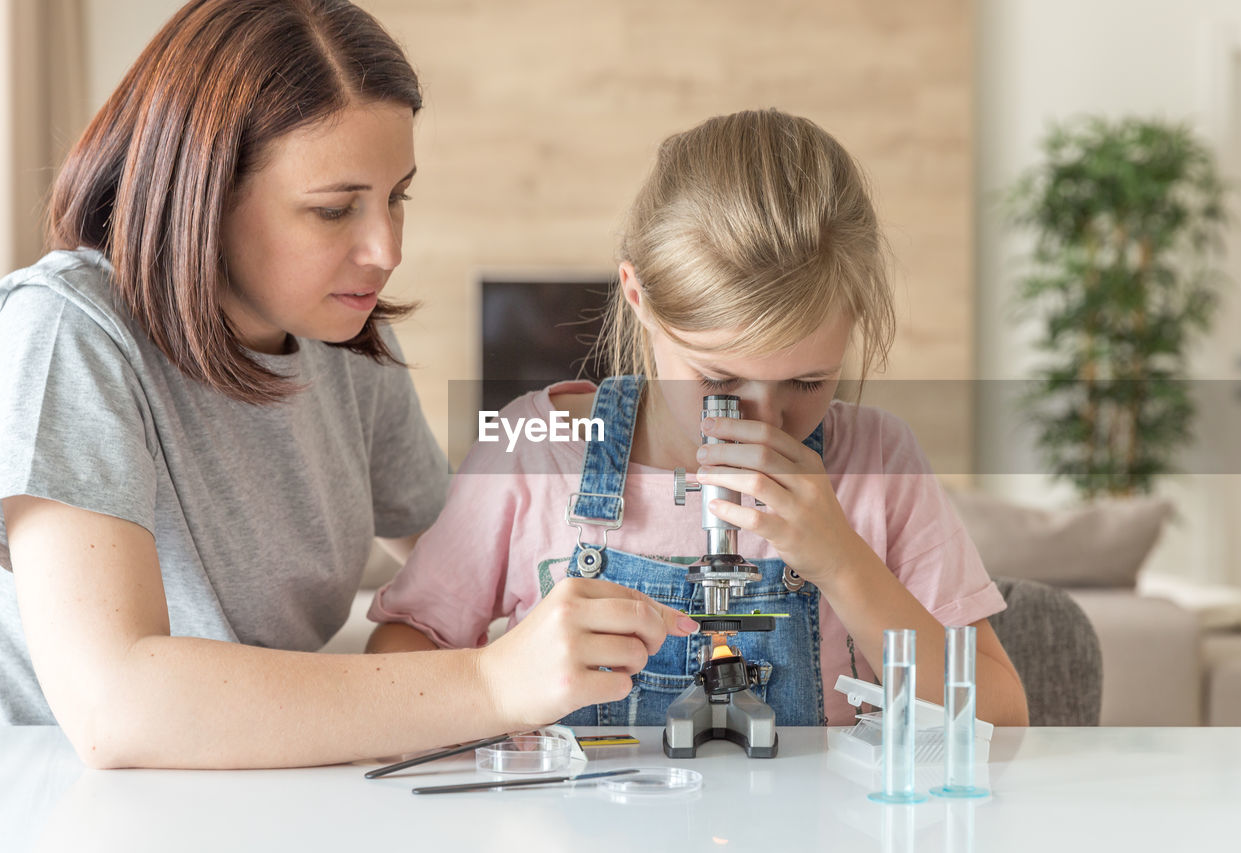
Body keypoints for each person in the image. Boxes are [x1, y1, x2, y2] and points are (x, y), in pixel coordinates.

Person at [0, 0, 693, 769]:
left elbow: (460, 550)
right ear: (203, 197)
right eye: (334, 210)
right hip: (51, 793)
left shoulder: (344, 339)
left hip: (253, 786)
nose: (387, 248)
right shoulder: (69, 331)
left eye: (397, 196)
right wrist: (490, 681)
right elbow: (115, 704)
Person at [368, 108, 1031, 728]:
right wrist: (499, 677)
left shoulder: (879, 462)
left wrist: (846, 565)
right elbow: (394, 663)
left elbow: (1000, 720)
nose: (766, 422)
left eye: (807, 380)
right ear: (639, 299)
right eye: (718, 379)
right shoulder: (533, 452)